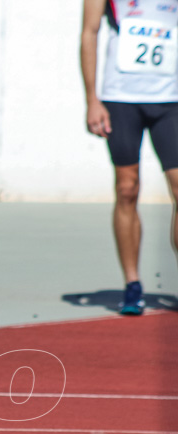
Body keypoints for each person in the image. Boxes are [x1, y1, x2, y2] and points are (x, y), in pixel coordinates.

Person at [82, 0, 178, 315]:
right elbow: (89, 33)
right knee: (127, 187)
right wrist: (92, 99)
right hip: (121, 98)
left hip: (171, 99)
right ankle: (132, 283)